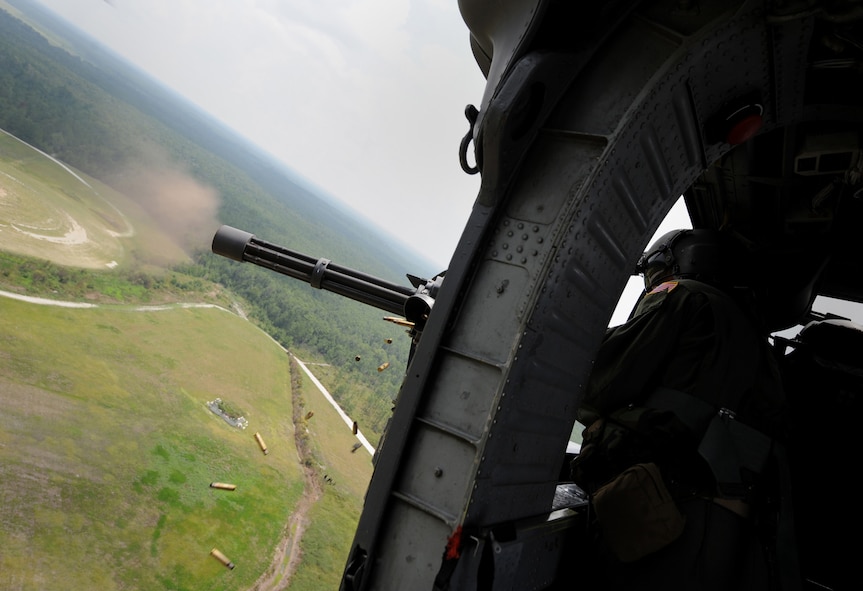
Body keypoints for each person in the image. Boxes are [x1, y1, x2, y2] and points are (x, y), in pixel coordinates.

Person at [571, 228, 791, 591]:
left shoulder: (682, 295)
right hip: (736, 522)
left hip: (668, 514)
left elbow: (598, 382)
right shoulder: (757, 343)